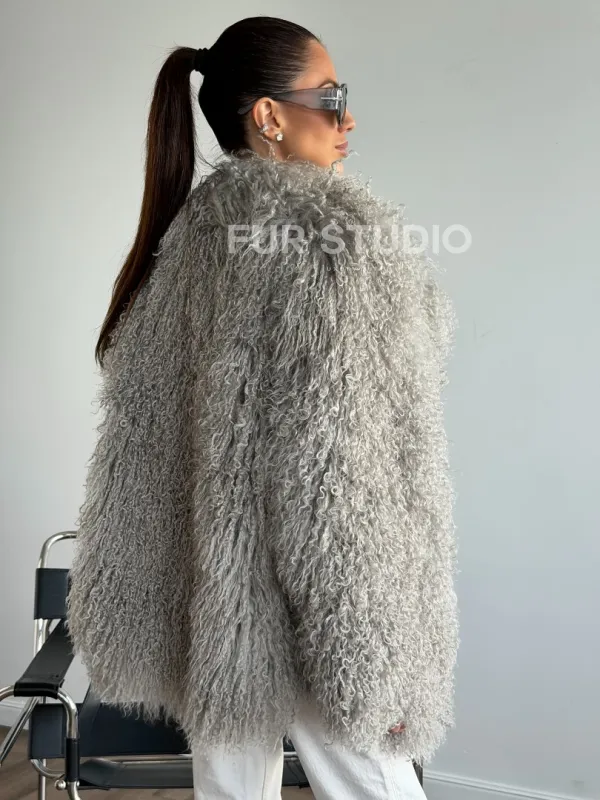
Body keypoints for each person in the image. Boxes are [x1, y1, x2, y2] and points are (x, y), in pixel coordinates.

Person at [65, 15, 459, 800]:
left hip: (214, 602)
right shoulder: (327, 239)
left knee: (230, 782)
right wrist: (364, 630)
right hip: (313, 597)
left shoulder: (191, 237)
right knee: (370, 777)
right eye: (331, 97)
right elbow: (333, 465)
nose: (349, 118)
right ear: (270, 116)